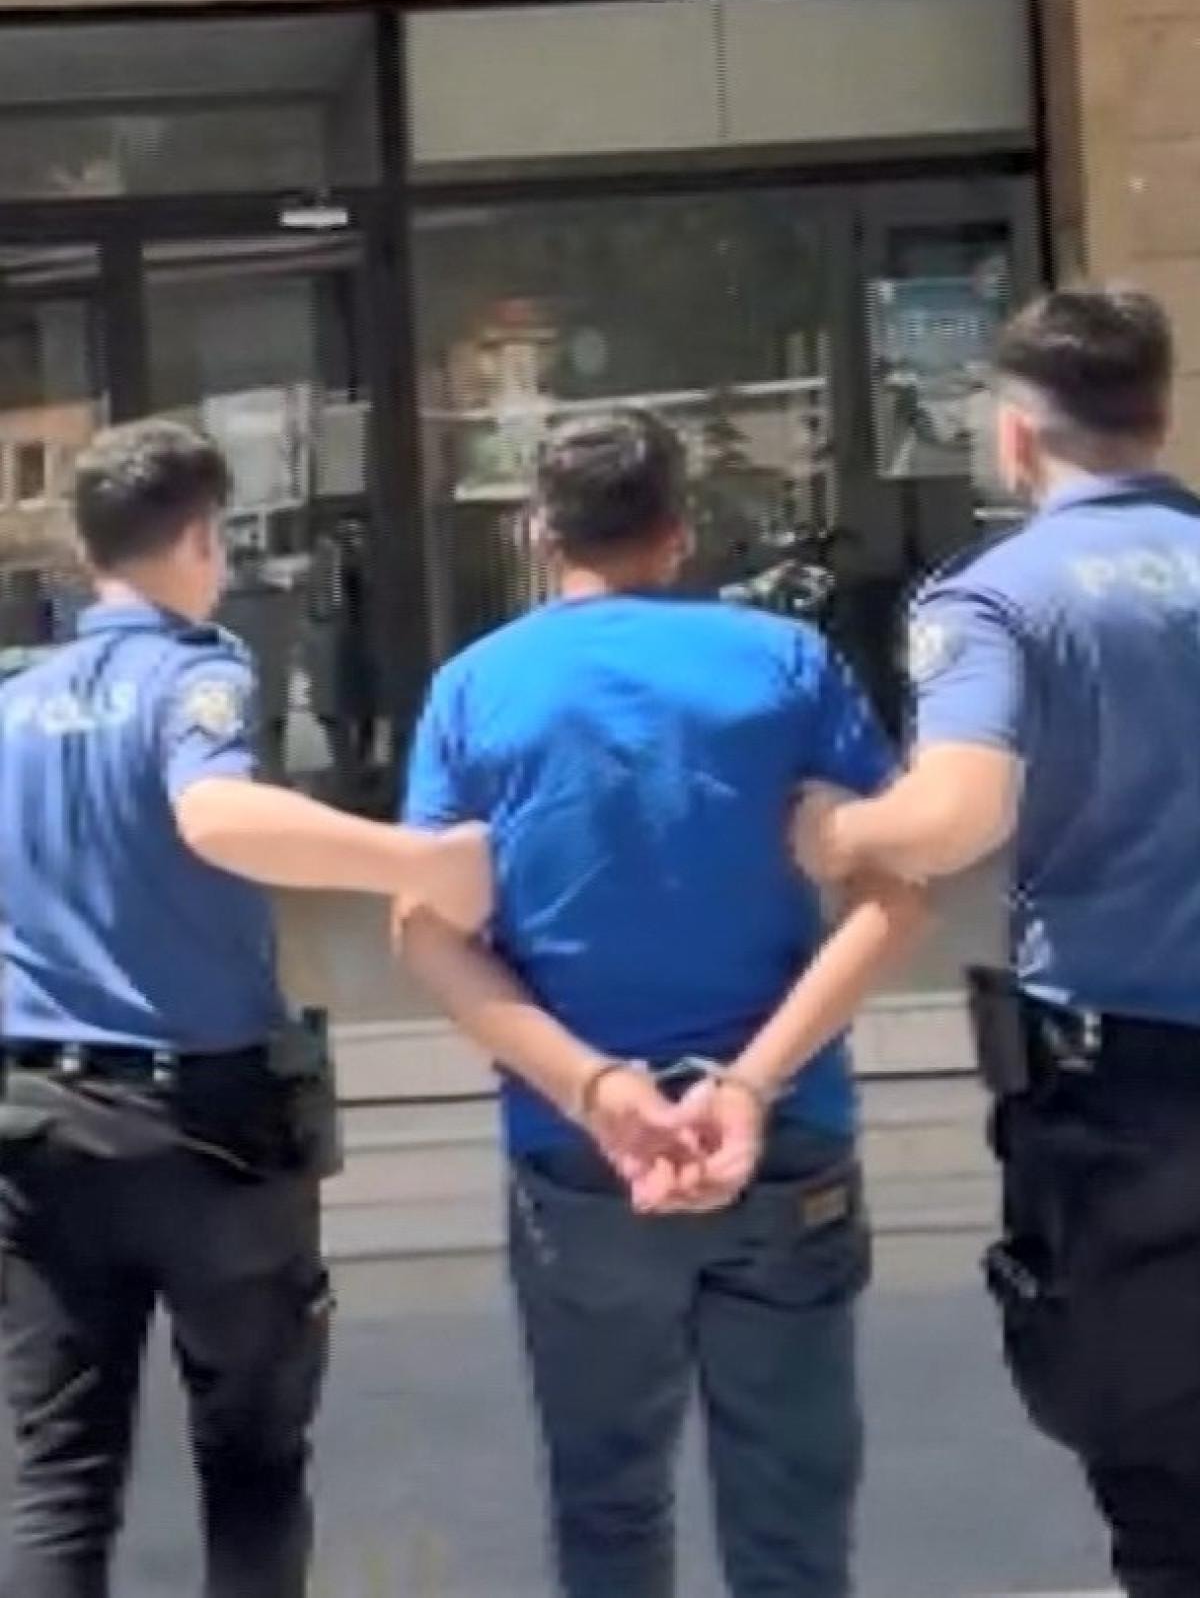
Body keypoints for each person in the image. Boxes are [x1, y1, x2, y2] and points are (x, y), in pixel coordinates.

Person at [398, 408, 920, 1598]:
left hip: (580, 1151)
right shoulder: (785, 661)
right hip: (781, 1136)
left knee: (608, 1511)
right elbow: (898, 900)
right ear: (679, 531)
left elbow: (426, 933)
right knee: (792, 1526)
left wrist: (593, 1085)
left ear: (541, 533)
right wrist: (751, 1081)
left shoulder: (474, 686)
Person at [0, 418, 489, 1598]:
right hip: (204, 1122)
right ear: (201, 538)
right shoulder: (197, 671)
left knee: (58, 1471)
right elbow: (215, 813)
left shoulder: (14, 699)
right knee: (253, 1454)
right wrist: (418, 859)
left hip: (37, 1120)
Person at [792, 285, 1200, 1598]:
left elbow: (954, 816)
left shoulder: (1001, 595)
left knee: (1164, 1480)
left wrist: (841, 831)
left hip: (1128, 1094)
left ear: (1016, 435)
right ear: (1159, 415)